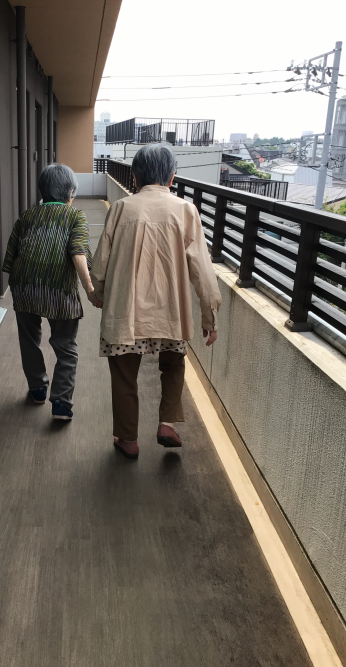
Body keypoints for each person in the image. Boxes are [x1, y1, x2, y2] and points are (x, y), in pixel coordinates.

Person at [90, 144, 222, 458]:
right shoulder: (186, 211)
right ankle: (166, 424)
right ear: (172, 177)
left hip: (126, 311)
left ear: (134, 177)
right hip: (170, 313)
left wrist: (100, 294)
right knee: (174, 366)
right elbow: (203, 271)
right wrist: (209, 316)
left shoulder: (121, 208)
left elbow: (101, 264)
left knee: (124, 376)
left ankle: (128, 439)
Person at [2, 164, 99, 421]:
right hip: (60, 291)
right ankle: (61, 403)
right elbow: (78, 253)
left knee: (29, 340)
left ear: (42, 190)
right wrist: (89, 289)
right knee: (65, 346)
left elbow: (10, 258)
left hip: (25, 287)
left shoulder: (27, 216)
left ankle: (37, 389)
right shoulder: (75, 216)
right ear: (71, 192)